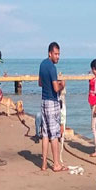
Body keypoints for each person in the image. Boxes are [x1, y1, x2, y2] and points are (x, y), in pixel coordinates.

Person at [38, 42, 66, 172]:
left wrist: (52, 83)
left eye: (59, 54)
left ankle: (44, 164)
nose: (58, 56)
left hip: (43, 101)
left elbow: (40, 83)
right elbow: (56, 88)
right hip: (51, 101)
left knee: (45, 133)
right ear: (50, 53)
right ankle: (56, 164)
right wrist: (62, 85)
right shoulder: (52, 67)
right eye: (56, 54)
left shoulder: (42, 64)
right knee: (54, 133)